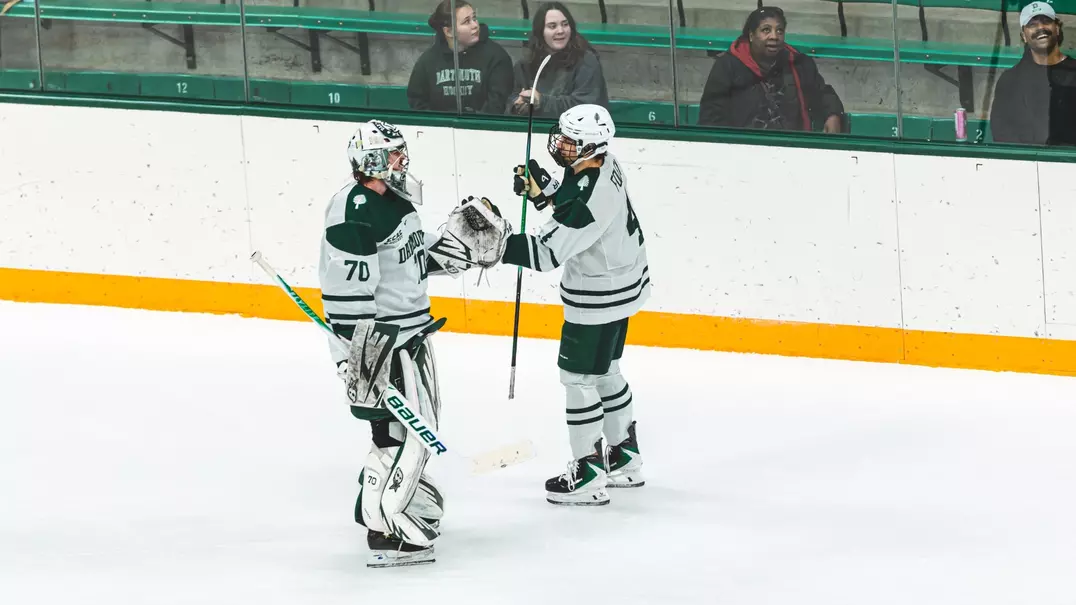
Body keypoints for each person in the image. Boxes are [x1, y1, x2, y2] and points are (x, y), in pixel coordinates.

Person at [319, 120, 509, 567]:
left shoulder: (395, 199)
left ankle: (378, 516)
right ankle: (390, 527)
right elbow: (346, 295)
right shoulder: (353, 210)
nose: (402, 159)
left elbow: (411, 256)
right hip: (381, 342)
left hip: (410, 335)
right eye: (394, 153)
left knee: (401, 433)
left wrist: (457, 250)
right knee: (400, 436)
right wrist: (358, 357)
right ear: (372, 160)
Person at [499, 105, 649, 506]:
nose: (559, 144)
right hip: (623, 283)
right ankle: (624, 458)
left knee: (578, 379)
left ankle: (587, 474)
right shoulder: (605, 163)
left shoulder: (587, 198)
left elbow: (547, 254)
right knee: (606, 371)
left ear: (589, 146)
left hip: (597, 295)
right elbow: (576, 200)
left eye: (569, 140)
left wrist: (496, 244)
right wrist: (547, 192)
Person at [698, 6, 844, 133]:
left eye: (779, 31)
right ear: (751, 35)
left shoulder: (799, 63)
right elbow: (711, 116)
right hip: (742, 147)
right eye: (766, 30)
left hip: (792, 146)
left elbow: (823, 93)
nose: (774, 36)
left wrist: (833, 115)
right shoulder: (728, 66)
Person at [990, 1, 1076, 145]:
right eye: (1032, 24)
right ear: (1023, 36)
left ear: (1057, 28)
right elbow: (1001, 132)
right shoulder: (1011, 79)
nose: (1040, 28)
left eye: (1046, 21)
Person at [407, 0, 514, 114]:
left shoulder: (497, 57)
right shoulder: (428, 61)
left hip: (483, 124)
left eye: (474, 18)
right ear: (449, 31)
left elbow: (497, 104)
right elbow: (418, 102)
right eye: (466, 21)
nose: (475, 25)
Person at [507, 2, 609, 117]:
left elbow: (585, 106)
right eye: (552, 26)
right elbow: (511, 99)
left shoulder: (586, 60)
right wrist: (518, 105)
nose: (560, 31)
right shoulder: (525, 63)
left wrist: (542, 102)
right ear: (540, 31)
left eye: (565, 24)